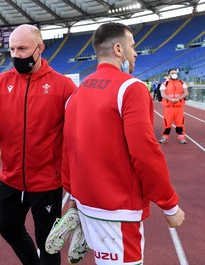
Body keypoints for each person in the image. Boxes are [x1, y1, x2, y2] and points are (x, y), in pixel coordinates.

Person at [62, 22, 185, 265]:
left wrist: (74, 197)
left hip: (87, 203)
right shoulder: (131, 88)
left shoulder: (76, 93)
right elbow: (145, 152)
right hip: (119, 210)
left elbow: (68, 149)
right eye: (132, 46)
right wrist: (170, 206)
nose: (135, 53)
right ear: (118, 49)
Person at [0, 24, 77, 265]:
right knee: (8, 229)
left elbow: (77, 134)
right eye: (11, 49)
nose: (15, 55)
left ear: (40, 48)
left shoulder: (63, 86)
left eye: (22, 49)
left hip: (47, 181)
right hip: (10, 178)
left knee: (48, 243)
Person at [158, 68, 189, 144]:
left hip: (179, 107)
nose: (174, 74)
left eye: (175, 73)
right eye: (172, 73)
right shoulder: (165, 84)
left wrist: (179, 98)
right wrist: (170, 99)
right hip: (169, 107)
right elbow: (163, 94)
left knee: (180, 123)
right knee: (167, 123)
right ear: (169, 74)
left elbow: (186, 93)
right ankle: (165, 137)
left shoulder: (182, 83)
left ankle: (181, 137)